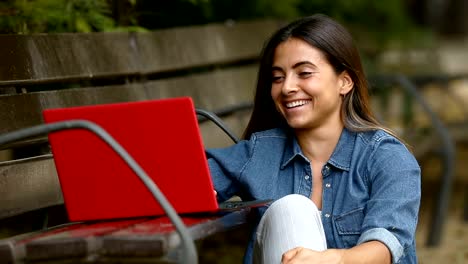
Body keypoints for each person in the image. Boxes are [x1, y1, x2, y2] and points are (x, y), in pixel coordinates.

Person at [206, 14, 421, 264]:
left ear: (344, 81)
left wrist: (336, 260)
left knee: (294, 209)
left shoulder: (386, 156)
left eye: (304, 73)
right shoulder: (261, 152)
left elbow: (385, 246)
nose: (287, 87)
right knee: (292, 211)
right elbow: (181, 187)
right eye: (277, 77)